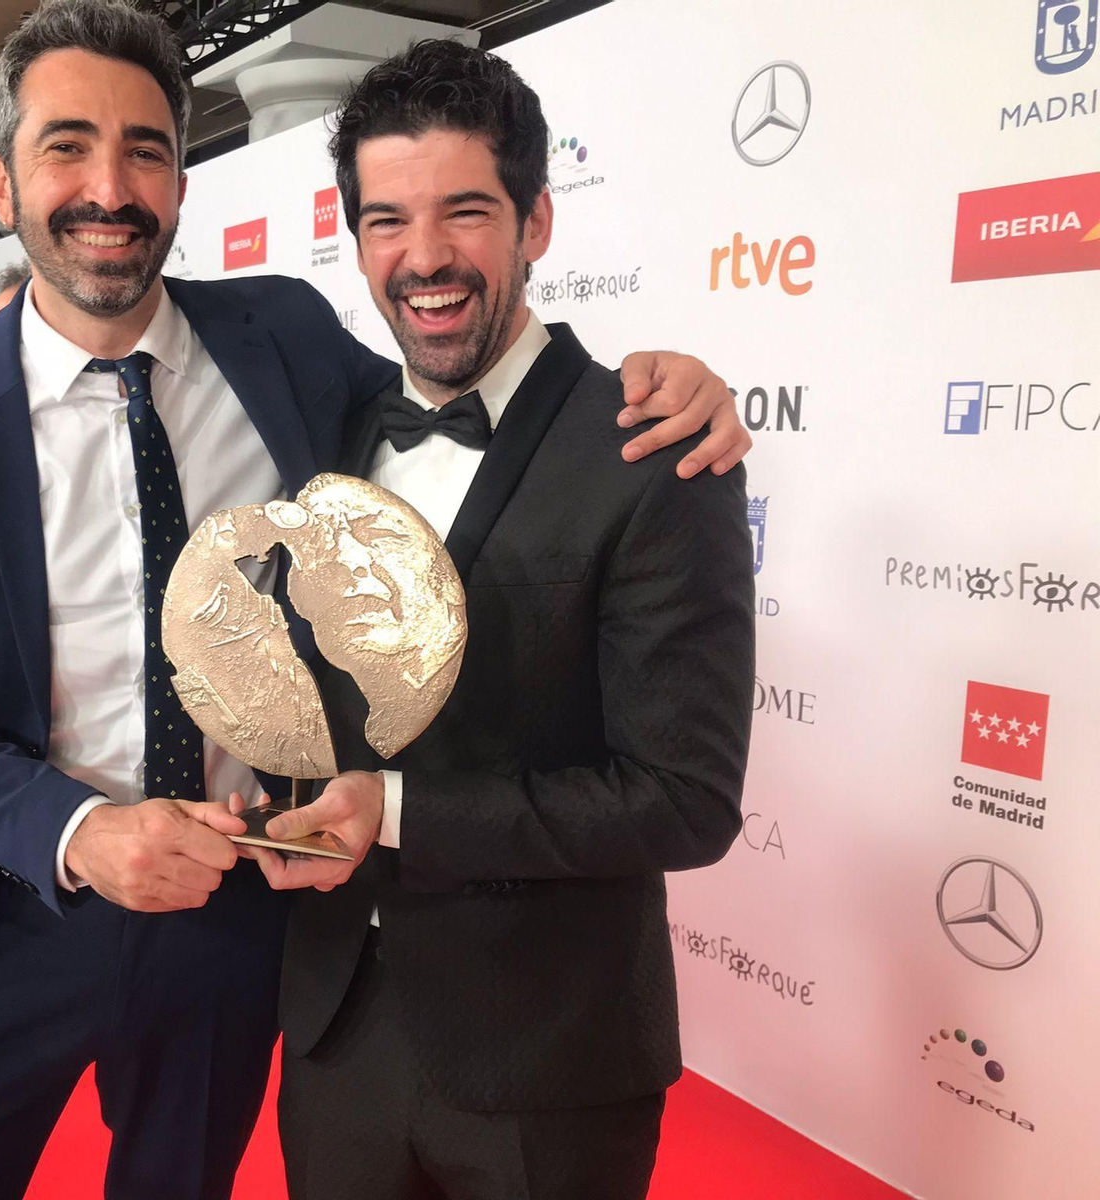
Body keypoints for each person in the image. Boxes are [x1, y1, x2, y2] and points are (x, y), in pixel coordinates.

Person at [0, 4, 750, 1197]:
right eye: (66, 146)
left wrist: (680, 379)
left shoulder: (279, 337)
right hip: (14, 906)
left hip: (239, 916)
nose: (108, 187)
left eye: (148, 150)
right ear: (0, 182)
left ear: (181, 180)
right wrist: (79, 832)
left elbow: (484, 405)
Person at [238, 42, 756, 1200]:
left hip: (548, 1060)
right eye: (386, 221)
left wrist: (398, 815)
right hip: (335, 1036)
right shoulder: (328, 435)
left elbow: (684, 799)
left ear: (536, 222)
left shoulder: (652, 450)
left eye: (465, 211)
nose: (424, 259)